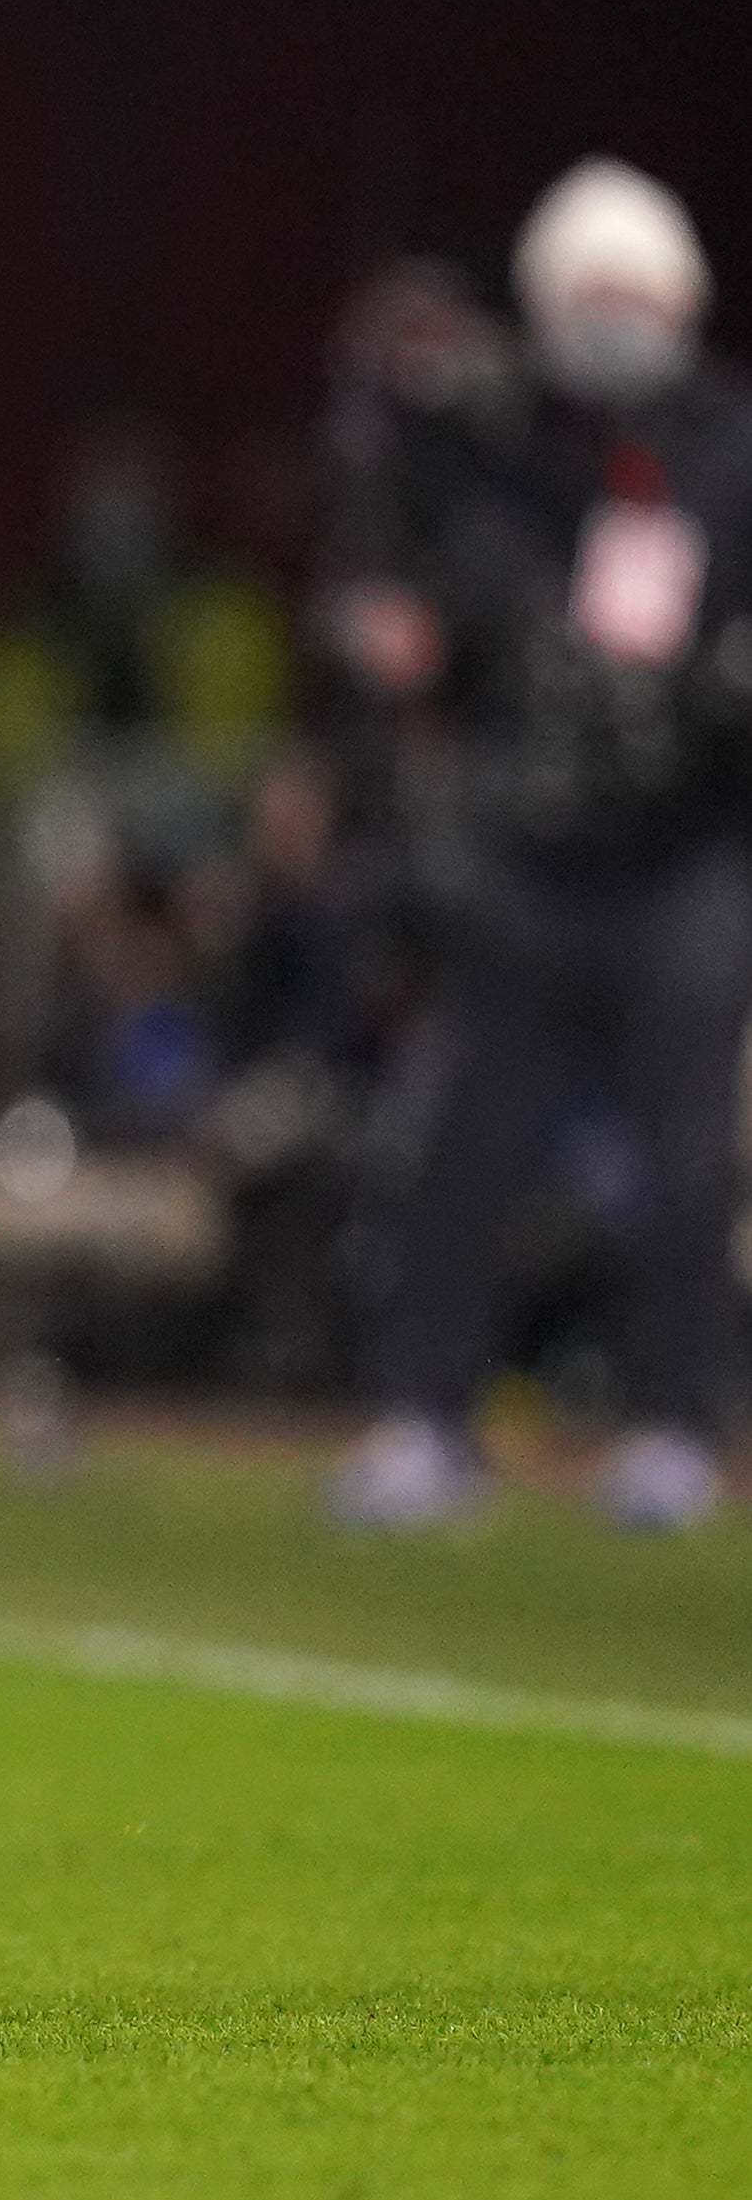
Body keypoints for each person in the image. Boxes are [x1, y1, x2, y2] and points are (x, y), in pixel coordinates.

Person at [325, 160, 752, 1536]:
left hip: (681, 854)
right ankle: (426, 1415)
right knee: (460, 1143)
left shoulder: (728, 449)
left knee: (685, 1157)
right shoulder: (509, 449)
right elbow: (427, 606)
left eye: (628, 295)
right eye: (585, 298)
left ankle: (680, 1422)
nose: (607, 321)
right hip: (529, 856)